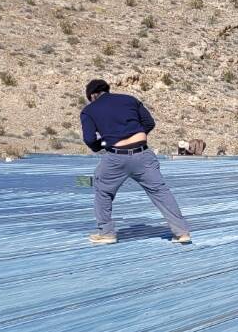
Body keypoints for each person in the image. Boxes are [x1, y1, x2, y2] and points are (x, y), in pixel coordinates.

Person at [79, 79, 192, 245]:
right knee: (161, 192)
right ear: (106, 90)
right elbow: (149, 123)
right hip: (143, 154)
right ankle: (182, 233)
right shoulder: (130, 99)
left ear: (93, 95)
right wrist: (135, 134)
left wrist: (102, 144)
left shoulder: (89, 110)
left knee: (102, 190)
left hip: (115, 157)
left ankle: (106, 233)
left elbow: (89, 138)